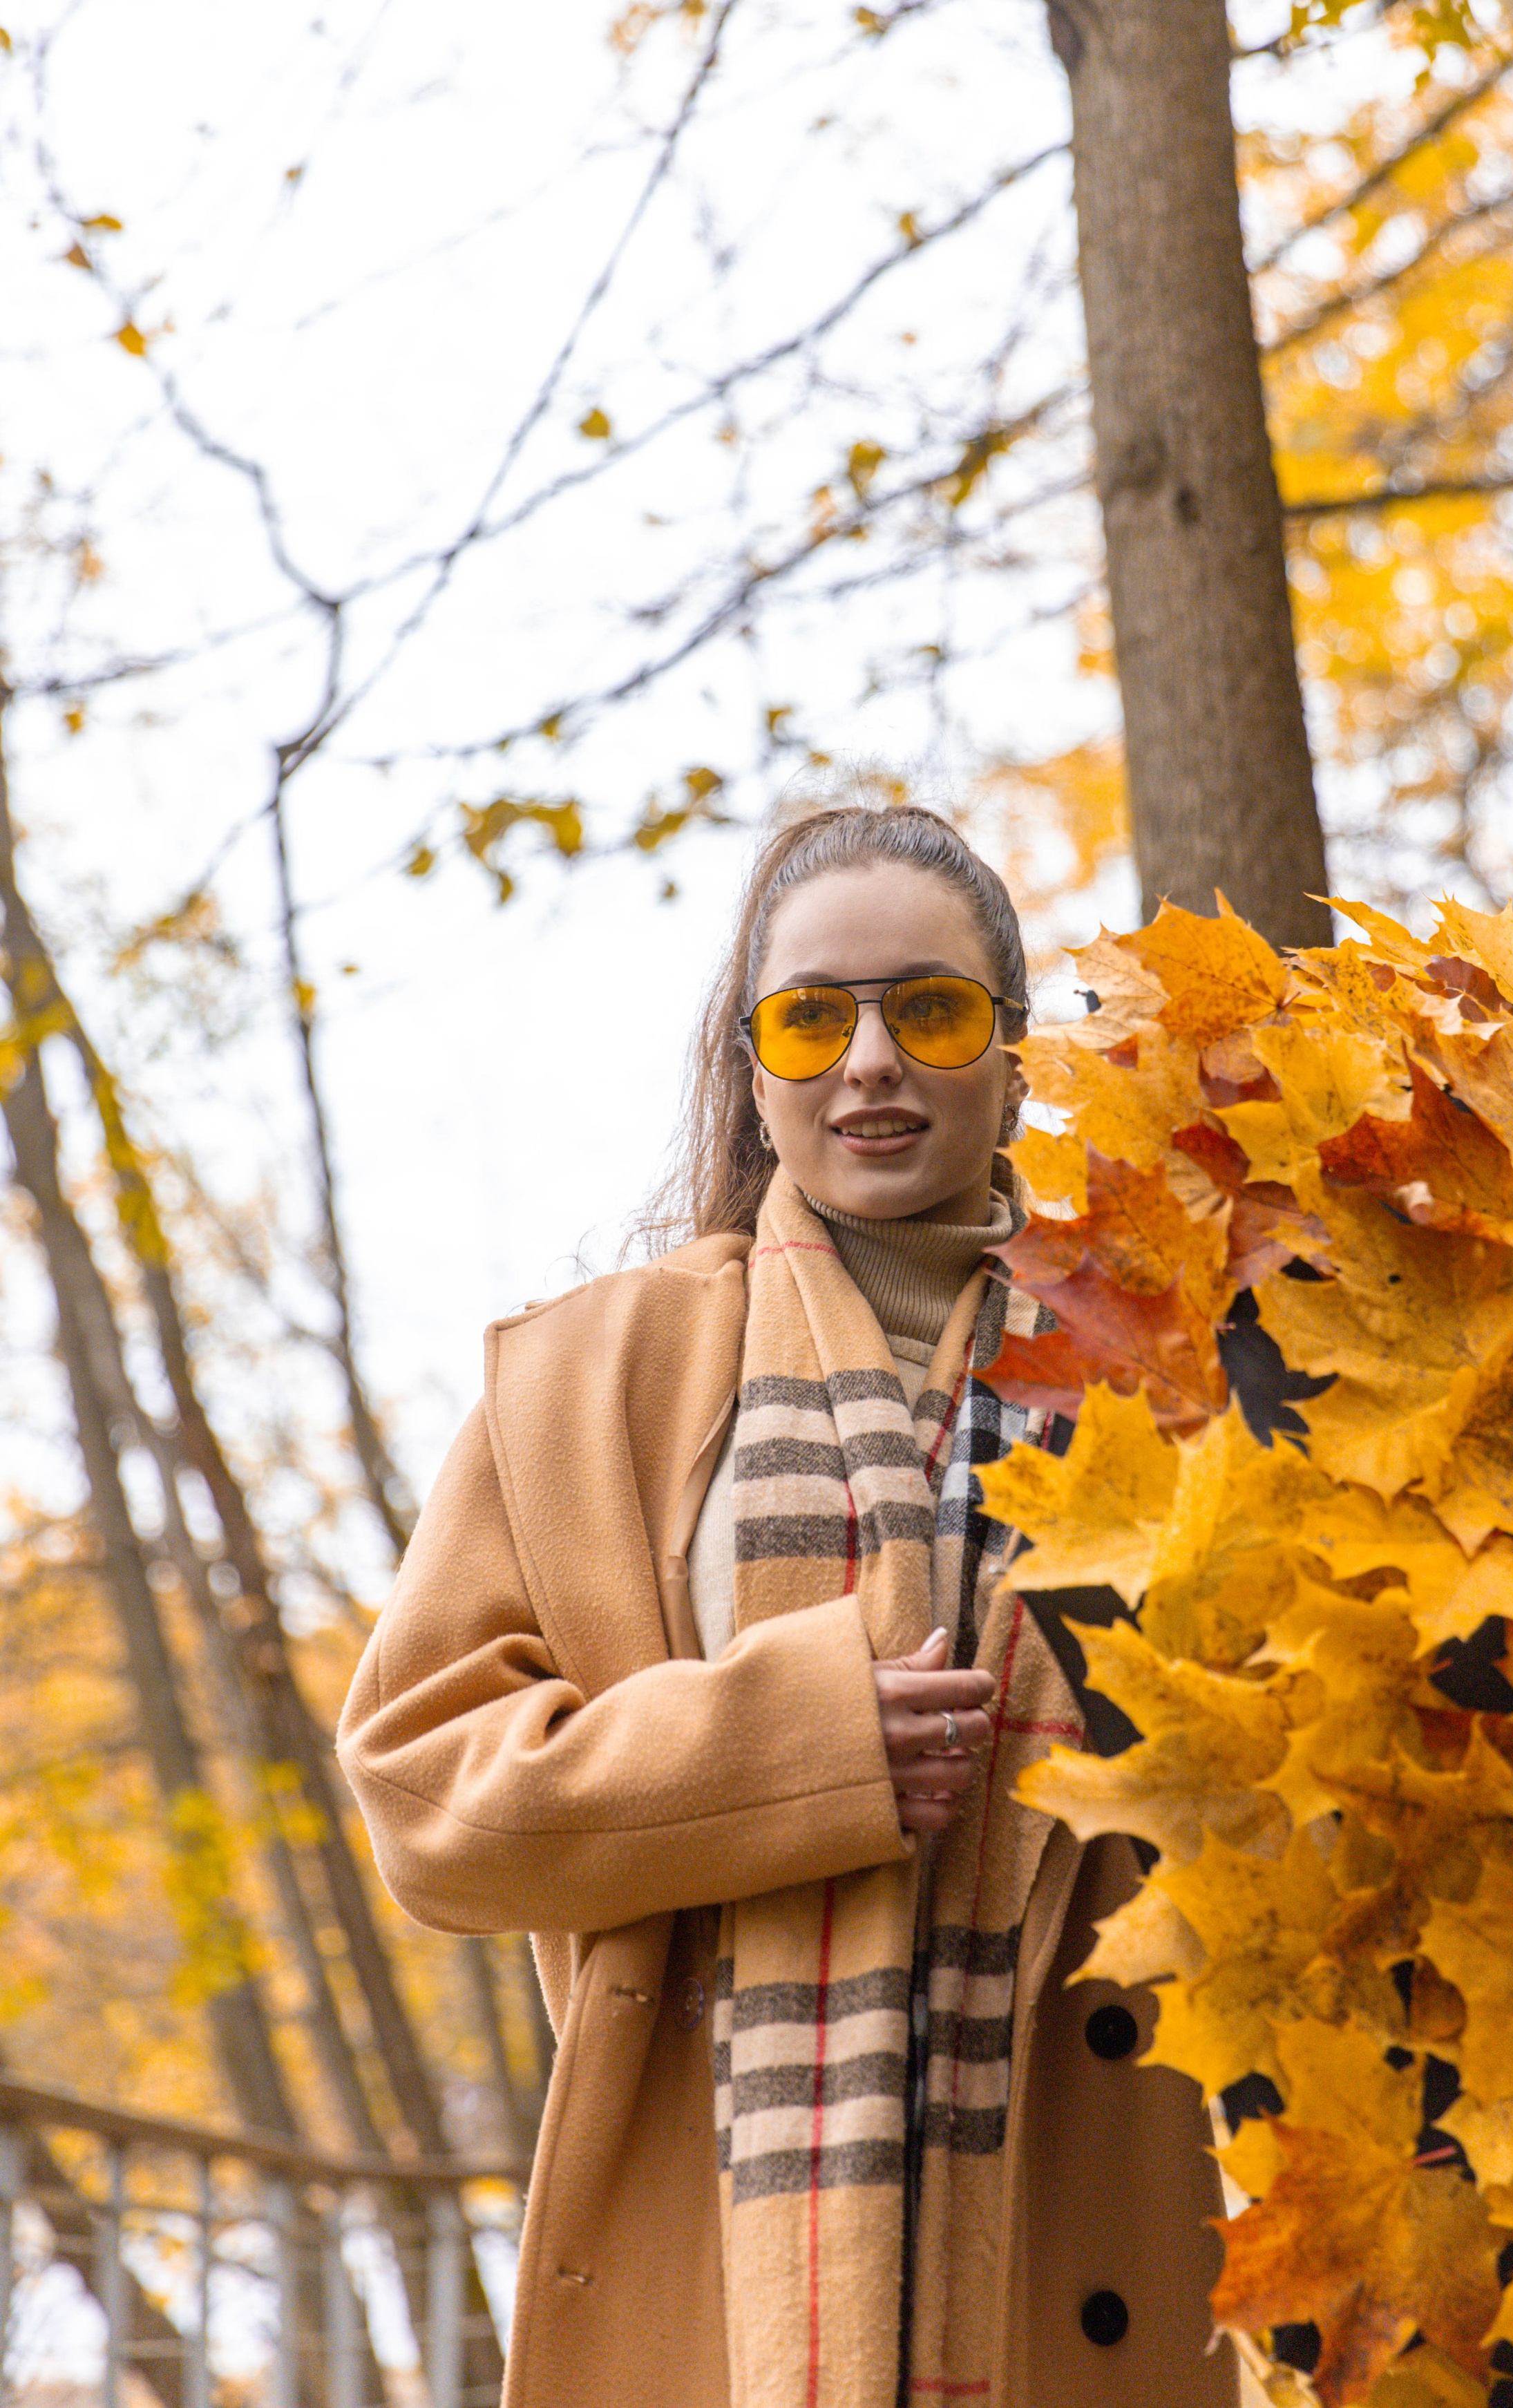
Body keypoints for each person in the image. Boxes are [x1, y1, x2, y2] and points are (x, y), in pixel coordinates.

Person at [337, 804, 1233, 2408]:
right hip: (715, 2274)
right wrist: (802, 1756)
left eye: (931, 1009)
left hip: (1085, 2233)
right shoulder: (591, 1376)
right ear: (755, 1069)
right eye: (813, 1017)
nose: (869, 1061)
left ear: (1015, 1056)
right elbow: (424, 1794)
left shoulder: (1172, 1369)